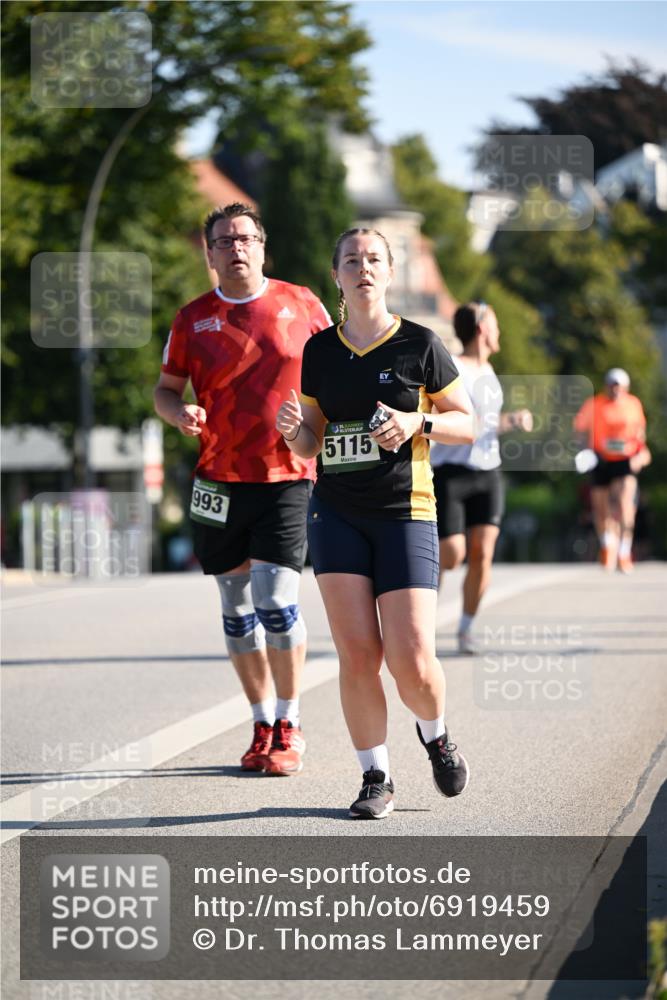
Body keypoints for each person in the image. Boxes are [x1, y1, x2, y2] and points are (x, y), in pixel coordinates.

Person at [275, 228, 474, 819]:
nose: (363, 268)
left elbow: (467, 422)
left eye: (374, 259)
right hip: (335, 512)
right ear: (335, 274)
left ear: (390, 272)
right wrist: (294, 434)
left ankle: (435, 734)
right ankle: (375, 776)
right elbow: (312, 438)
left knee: (411, 660)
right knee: (358, 655)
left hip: (403, 511)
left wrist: (418, 423)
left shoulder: (420, 343)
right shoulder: (319, 351)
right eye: (351, 260)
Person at [154, 203, 332, 775]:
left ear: (262, 246)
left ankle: (291, 722)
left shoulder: (301, 303)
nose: (236, 248)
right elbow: (164, 388)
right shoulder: (191, 319)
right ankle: (260, 723)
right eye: (224, 240)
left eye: (246, 238)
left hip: (285, 475)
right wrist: (177, 413)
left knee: (277, 605)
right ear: (209, 253)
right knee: (235, 611)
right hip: (216, 483)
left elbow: (338, 371)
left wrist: (324, 431)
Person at [430, 302, 532, 654]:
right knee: (452, 554)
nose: (500, 331)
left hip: (488, 472)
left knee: (483, 553)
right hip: (451, 474)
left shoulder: (489, 370)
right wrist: (511, 422)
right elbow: (467, 425)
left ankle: (466, 628)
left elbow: (486, 423)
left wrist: (504, 423)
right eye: (496, 324)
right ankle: (421, 621)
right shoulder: (452, 368)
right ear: (481, 329)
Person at [573, 368, 651, 573]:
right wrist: (585, 451)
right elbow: (580, 430)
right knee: (601, 509)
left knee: (626, 506)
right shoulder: (594, 404)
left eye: (619, 385)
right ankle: (608, 546)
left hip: (625, 460)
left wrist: (640, 454)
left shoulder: (633, 404)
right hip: (601, 459)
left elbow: (640, 433)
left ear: (625, 387)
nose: (615, 389)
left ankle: (624, 553)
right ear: (606, 385)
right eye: (611, 384)